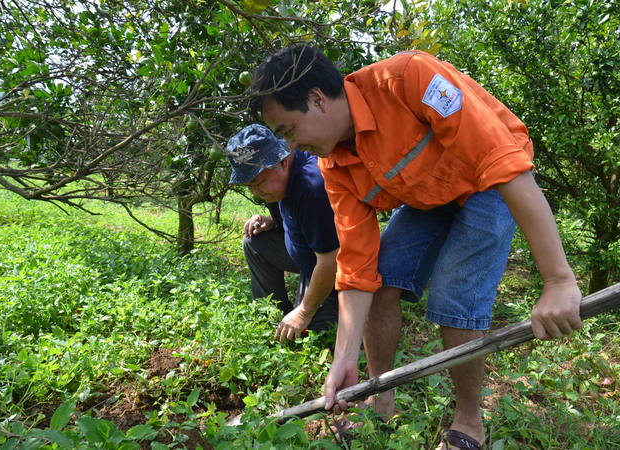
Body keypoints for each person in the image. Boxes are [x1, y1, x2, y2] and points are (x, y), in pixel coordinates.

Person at [249, 45, 584, 450]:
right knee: (382, 277)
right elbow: (355, 265)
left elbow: (501, 162)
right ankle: (380, 400)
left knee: (454, 295)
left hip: (488, 185)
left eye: (288, 130)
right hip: (430, 196)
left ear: (317, 99)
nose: (293, 147)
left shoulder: (410, 80)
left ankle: (469, 425)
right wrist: (343, 359)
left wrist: (557, 280)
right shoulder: (333, 164)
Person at [227, 124, 340, 343]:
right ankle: (272, 313)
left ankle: (304, 312)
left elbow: (331, 261)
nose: (256, 192)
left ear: (282, 162)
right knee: (254, 242)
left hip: (334, 273)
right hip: (309, 258)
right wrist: (271, 221)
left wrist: (304, 312)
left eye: (258, 182)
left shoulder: (311, 188)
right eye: (248, 185)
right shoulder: (280, 183)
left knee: (307, 336)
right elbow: (295, 217)